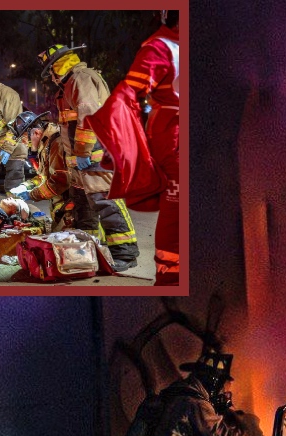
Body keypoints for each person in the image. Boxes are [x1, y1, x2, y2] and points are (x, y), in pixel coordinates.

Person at [93, 10, 181, 285]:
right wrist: (119, 143)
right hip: (173, 138)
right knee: (177, 211)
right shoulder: (161, 48)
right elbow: (127, 95)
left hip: (183, 133)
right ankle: (171, 278)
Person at [38, 43, 140, 270]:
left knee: (106, 202)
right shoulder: (68, 85)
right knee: (84, 207)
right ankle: (90, 249)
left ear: (59, 65)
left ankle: (125, 254)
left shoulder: (81, 79)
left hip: (95, 156)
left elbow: (89, 117)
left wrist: (83, 153)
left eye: (51, 71)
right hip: (81, 161)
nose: (52, 77)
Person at [8, 111, 71, 231]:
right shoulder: (46, 144)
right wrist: (25, 186)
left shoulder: (56, 143)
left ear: (36, 133)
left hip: (70, 206)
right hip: (61, 206)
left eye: (25, 140)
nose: (25, 145)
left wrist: (31, 194)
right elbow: (43, 177)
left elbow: (59, 182)